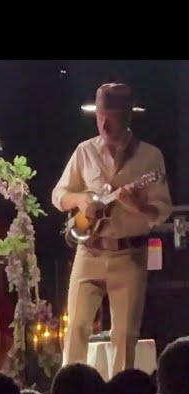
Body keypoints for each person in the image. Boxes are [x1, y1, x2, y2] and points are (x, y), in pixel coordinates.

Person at [52, 83, 172, 378]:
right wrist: (80, 199)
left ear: (128, 117)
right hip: (89, 250)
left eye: (111, 117)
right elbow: (58, 195)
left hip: (130, 255)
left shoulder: (150, 157)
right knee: (77, 329)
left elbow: (162, 211)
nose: (103, 123)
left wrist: (137, 206)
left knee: (124, 336)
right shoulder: (85, 151)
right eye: (100, 115)